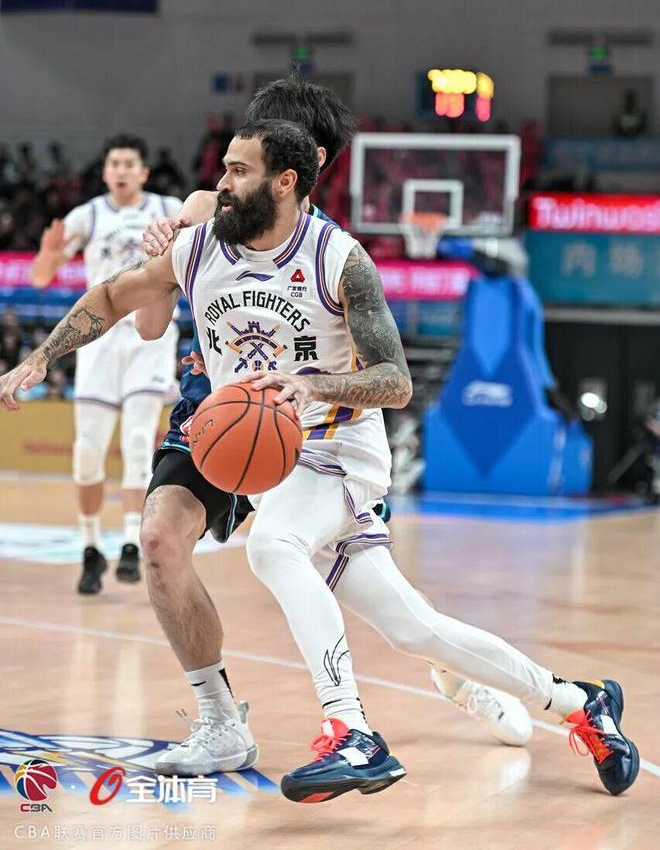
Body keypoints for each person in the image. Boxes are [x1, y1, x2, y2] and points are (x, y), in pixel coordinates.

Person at [1, 119, 639, 804]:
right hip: (279, 461)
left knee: (272, 546)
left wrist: (314, 385)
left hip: (339, 451)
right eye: (224, 168)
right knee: (413, 628)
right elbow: (110, 297)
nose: (222, 184)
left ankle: (351, 730)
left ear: (285, 182)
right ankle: (581, 702)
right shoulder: (199, 248)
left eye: (239, 171)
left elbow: (395, 380)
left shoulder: (339, 259)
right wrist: (40, 357)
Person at [136, 75, 532, 777]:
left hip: (314, 429)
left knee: (377, 593)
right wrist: (155, 255)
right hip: (217, 412)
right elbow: (145, 323)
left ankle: (455, 671)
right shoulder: (205, 209)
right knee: (161, 539)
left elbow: (385, 373)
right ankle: (222, 721)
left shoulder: (335, 251)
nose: (235, 169)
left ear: (305, 160)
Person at [30, 134, 183, 594]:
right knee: (86, 451)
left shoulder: (169, 208)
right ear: (104, 172)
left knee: (137, 442)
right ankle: (91, 547)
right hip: (98, 341)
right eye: (114, 163)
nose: (120, 170)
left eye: (128, 163)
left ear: (143, 172)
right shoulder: (88, 215)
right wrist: (50, 251)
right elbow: (40, 277)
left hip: (149, 337)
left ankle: (132, 542)